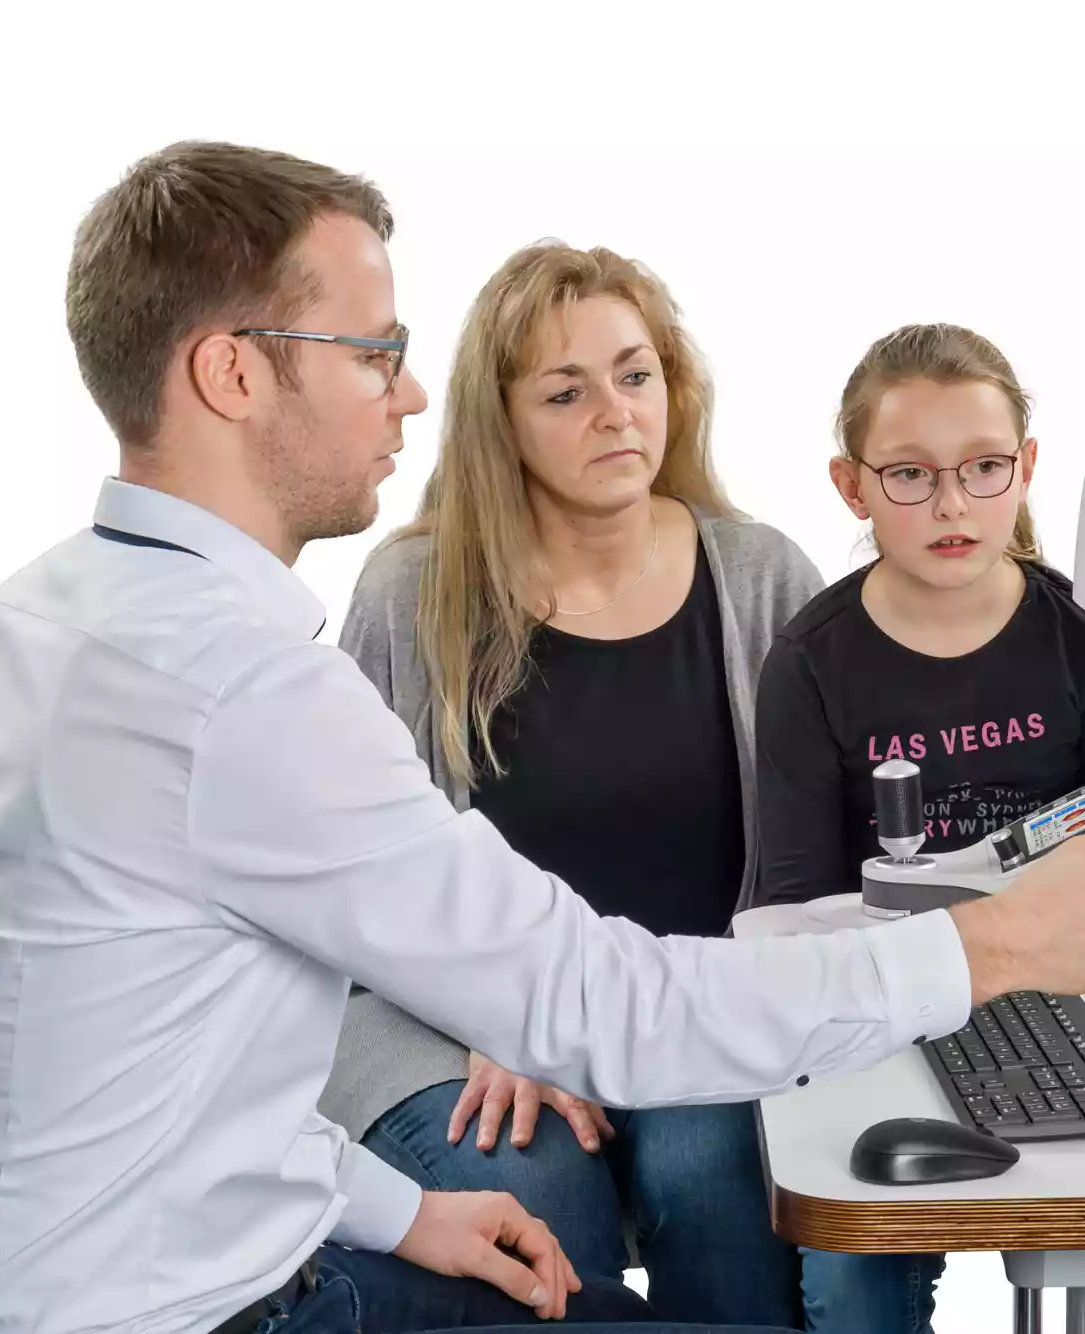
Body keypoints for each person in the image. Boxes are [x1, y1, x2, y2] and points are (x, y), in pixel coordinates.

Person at [0, 140, 1085, 1334]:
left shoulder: (42, 617)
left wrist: (400, 1210)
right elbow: (584, 1002)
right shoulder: (244, 686)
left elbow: (163, 1081)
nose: (408, 394)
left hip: (156, 1280)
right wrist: (999, 941)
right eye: (370, 352)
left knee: (652, 1203)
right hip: (212, 1312)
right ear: (232, 372)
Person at [318, 241, 831, 1328]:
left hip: (697, 1006)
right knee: (529, 1178)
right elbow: (351, 875)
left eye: (634, 375)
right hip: (454, 1017)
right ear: (500, 422)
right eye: (565, 392)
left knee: (715, 1167)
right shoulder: (412, 592)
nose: (614, 413)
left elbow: (823, 859)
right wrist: (489, 1016)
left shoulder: (762, 576)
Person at [751, 322, 1085, 1332]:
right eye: (909, 474)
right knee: (854, 1273)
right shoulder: (809, 664)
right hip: (887, 1014)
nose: (951, 504)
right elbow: (797, 911)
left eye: (984, 467)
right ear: (851, 487)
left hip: (1084, 1003)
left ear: (1026, 467)